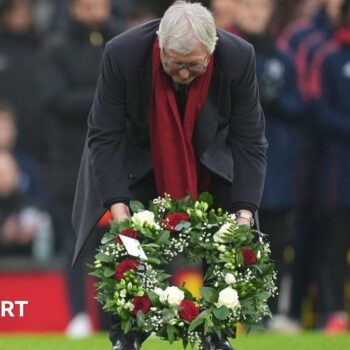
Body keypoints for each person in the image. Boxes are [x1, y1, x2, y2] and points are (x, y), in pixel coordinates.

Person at [72, 1, 267, 349]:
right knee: (129, 241)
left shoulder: (239, 56)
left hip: (210, 159)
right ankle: (127, 337)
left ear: (212, 48)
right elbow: (104, 134)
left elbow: (250, 141)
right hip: (140, 158)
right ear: (160, 45)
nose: (182, 74)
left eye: (193, 65)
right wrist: (118, 207)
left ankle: (216, 337)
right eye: (174, 64)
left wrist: (245, 212)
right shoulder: (122, 53)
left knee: (231, 237)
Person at [41, 0, 121, 338]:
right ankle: (77, 315)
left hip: (113, 161)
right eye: (87, 5)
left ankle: (111, 319)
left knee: (115, 244)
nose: (95, 11)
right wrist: (106, 99)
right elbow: (55, 99)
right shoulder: (55, 47)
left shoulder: (118, 42)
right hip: (71, 163)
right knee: (76, 241)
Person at [234, 0, 305, 327]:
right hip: (238, 161)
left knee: (275, 238)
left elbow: (301, 105)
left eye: (259, 8)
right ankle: (241, 309)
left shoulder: (282, 58)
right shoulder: (228, 54)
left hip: (275, 162)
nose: (254, 13)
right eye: (247, 7)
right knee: (241, 238)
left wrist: (275, 98)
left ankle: (270, 311)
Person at [310, 0, 350, 333]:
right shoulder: (330, 57)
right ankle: (334, 311)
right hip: (340, 173)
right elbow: (317, 109)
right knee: (336, 245)